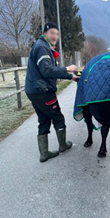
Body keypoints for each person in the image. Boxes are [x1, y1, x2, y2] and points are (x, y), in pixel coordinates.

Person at [25, 22, 79, 163]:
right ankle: (63, 145)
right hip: (43, 91)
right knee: (58, 118)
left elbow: (49, 71)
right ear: (45, 34)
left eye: (56, 34)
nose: (55, 36)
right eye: (52, 33)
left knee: (44, 120)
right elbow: (47, 71)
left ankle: (44, 154)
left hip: (33, 91)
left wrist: (71, 77)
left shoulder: (42, 46)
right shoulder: (42, 47)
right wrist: (68, 68)